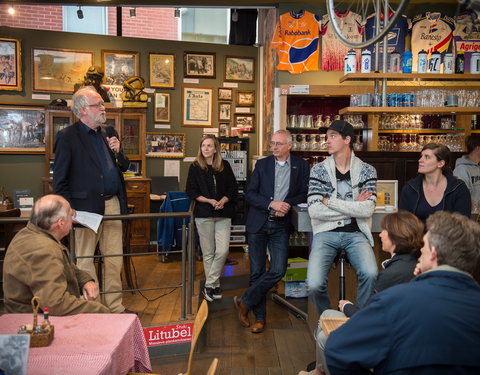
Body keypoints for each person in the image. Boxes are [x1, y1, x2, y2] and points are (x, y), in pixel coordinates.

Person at [325, 211, 480, 375]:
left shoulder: (395, 300)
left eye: (424, 247)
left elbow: (337, 349)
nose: (420, 252)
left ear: (433, 254)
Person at [300, 210, 423, 375]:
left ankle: (322, 371)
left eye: (384, 231)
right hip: (398, 330)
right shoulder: (413, 264)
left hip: (384, 336)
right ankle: (318, 371)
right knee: (326, 315)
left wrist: (347, 307)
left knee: (324, 336)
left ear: (395, 237)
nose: (380, 235)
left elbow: (369, 317)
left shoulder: (391, 275)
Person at [53, 86, 130, 313]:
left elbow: (124, 166)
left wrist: (118, 151)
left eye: (102, 104)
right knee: (85, 261)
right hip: (84, 209)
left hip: (113, 203)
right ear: (83, 110)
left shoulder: (108, 132)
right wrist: (69, 210)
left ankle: (116, 307)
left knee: (115, 259)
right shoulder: (67, 137)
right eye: (98, 105)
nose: (103, 108)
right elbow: (60, 180)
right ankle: (93, 309)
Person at [234, 129, 309, 333]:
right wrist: (271, 203)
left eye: (278, 143)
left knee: (278, 270)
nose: (274, 147)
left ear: (289, 146)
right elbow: (250, 193)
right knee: (257, 272)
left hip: (280, 226)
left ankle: (245, 300)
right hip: (259, 223)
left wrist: (285, 204)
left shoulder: (301, 165)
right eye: (272, 143)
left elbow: (304, 192)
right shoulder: (262, 164)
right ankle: (260, 319)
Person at [307, 120, 378, 317]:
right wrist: (354, 205)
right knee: (313, 284)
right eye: (326, 136)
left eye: (332, 136)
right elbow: (314, 211)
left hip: (356, 233)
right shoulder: (318, 170)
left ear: (347, 140)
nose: (326, 141)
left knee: (371, 274)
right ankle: (327, 319)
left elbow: (367, 209)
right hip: (325, 233)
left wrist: (329, 201)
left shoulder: (367, 170)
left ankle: (357, 319)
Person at [3, 194, 110, 315]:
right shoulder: (44, 249)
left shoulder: (31, 233)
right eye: (71, 214)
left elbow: (64, 265)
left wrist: (85, 280)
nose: (74, 217)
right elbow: (56, 304)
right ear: (61, 223)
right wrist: (101, 311)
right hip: (34, 321)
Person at [186, 134, 238, 302]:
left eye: (209, 146)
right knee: (208, 253)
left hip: (223, 214)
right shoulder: (195, 167)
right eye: (203, 146)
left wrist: (223, 200)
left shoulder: (225, 166)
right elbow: (191, 191)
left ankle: (208, 284)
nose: (206, 149)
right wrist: (208, 200)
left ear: (216, 149)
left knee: (222, 251)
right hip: (204, 214)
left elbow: (233, 189)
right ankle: (213, 287)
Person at [399, 143, 471, 224]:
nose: (420, 160)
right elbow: (403, 223)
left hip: (448, 236)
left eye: (427, 157)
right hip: (416, 236)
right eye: (421, 156)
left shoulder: (458, 188)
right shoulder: (410, 188)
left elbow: (462, 225)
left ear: (440, 163)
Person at [454, 135, 480, 214]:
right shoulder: (461, 169)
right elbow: (462, 197)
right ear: (478, 149)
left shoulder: (477, 167)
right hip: (469, 218)